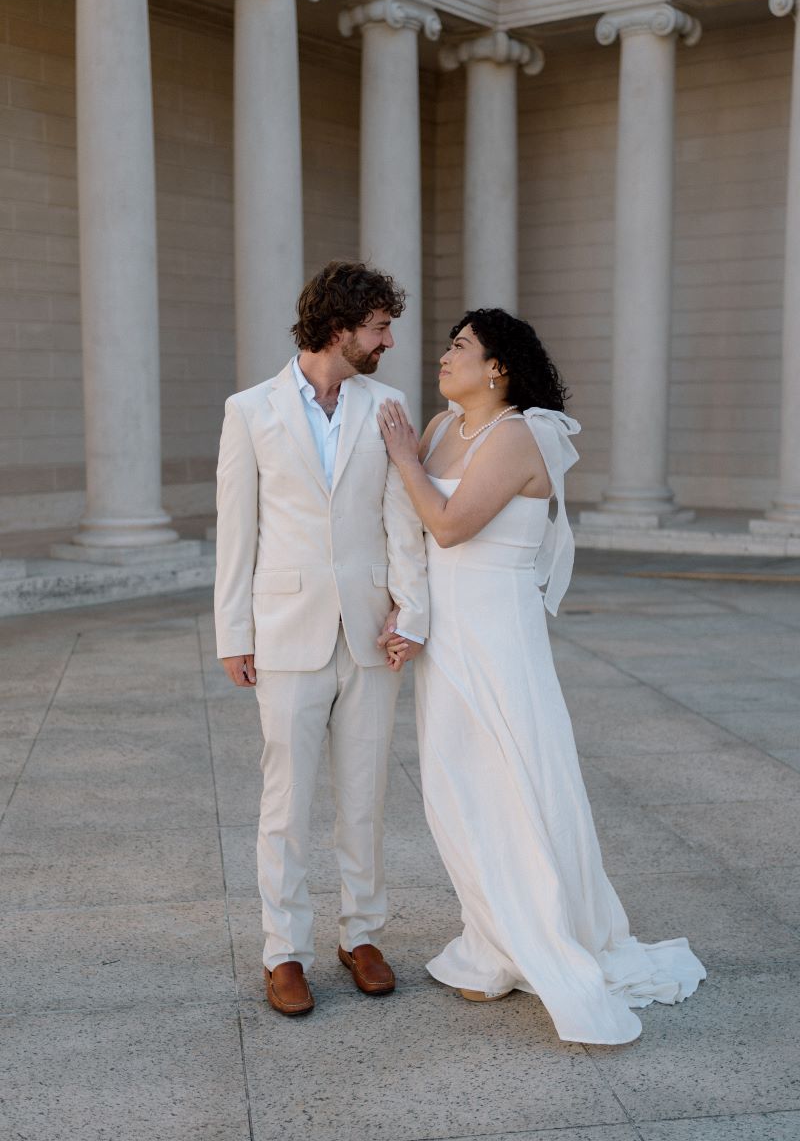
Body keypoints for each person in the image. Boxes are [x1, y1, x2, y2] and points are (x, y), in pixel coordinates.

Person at [377, 307, 705, 1045]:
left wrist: (402, 459)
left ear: (497, 368)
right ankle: (491, 937)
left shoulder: (517, 435)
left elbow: (452, 525)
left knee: (514, 780)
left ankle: (540, 932)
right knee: (457, 788)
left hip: (498, 636)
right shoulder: (435, 428)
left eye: (460, 347)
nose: (445, 355)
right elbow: (415, 537)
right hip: (447, 637)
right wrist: (407, 613)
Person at [214, 260, 429, 1017]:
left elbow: (402, 518)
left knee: (366, 795)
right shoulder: (250, 411)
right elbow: (236, 532)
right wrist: (232, 632)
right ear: (340, 329)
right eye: (378, 327)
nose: (389, 340)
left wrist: (412, 609)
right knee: (288, 799)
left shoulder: (388, 404)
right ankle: (286, 951)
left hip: (373, 630)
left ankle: (362, 934)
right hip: (285, 628)